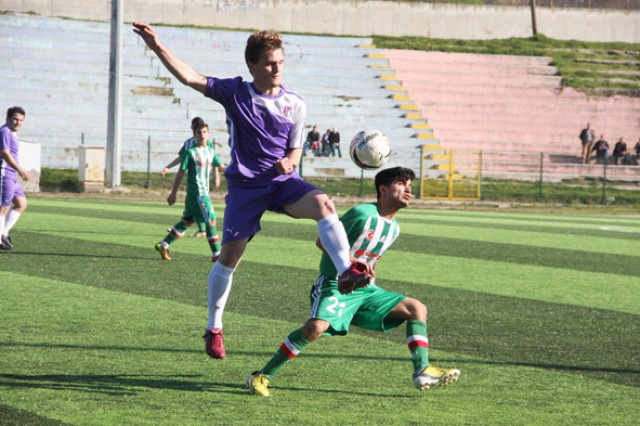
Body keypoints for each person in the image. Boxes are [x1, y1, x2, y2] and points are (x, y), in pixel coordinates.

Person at [132, 23, 370, 360]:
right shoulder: (236, 93)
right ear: (253, 66)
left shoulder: (295, 104)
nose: (277, 69)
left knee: (324, 204)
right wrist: (157, 46)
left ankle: (346, 270)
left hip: (281, 183)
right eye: (270, 63)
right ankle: (214, 327)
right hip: (245, 187)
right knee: (229, 258)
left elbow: (296, 149)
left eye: (281, 63)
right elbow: (190, 78)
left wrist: (290, 161)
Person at [246, 167, 460, 397]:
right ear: (383, 189)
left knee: (416, 308)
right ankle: (261, 375)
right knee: (315, 328)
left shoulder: (394, 228)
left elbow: (372, 260)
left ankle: (422, 369)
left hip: (366, 291)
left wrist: (370, 279)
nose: (408, 188)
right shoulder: (362, 214)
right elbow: (323, 240)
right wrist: (351, 261)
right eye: (401, 183)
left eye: (409, 185)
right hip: (334, 284)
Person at [155, 121, 223, 261]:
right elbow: (180, 173)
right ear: (194, 135)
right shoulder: (191, 152)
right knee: (211, 221)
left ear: (208, 134)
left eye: (204, 132)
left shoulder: (211, 152)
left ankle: (164, 244)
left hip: (197, 195)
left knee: (187, 221)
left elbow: (222, 167)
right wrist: (173, 193)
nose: (202, 135)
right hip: (199, 194)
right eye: (199, 132)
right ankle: (217, 255)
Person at [0, 106, 29, 251]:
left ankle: (3, 234)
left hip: (12, 175)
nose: (18, 122)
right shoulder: (4, 131)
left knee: (21, 203)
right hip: (4, 173)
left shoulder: (12, 133)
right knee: (3, 207)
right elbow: (5, 153)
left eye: (21, 120)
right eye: (15, 119)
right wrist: (20, 169)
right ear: (8, 118)